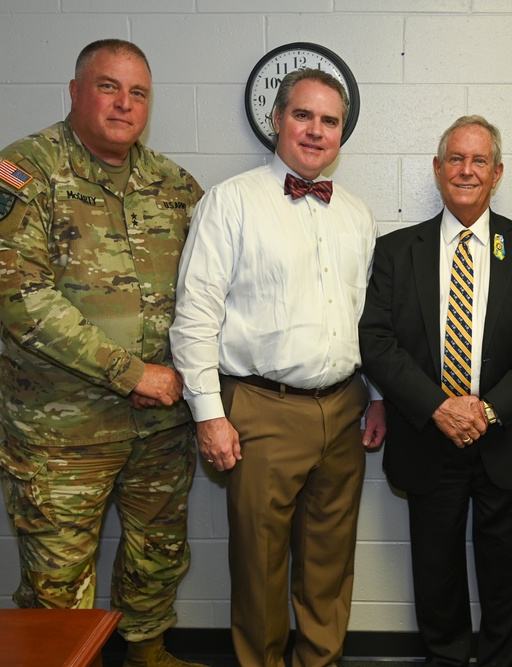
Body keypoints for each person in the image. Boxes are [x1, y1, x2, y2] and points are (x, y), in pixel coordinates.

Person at [0, 39, 205, 667]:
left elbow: (210, 295)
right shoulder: (24, 172)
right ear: (75, 92)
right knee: (58, 586)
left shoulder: (177, 186)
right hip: (61, 433)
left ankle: (148, 653)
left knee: (158, 554)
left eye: (137, 93)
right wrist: (133, 374)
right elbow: (24, 304)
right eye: (108, 87)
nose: (124, 104)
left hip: (160, 428)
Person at [170, 68, 386, 667]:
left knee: (328, 565)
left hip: (343, 411)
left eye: (330, 121)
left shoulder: (358, 215)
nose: (316, 132)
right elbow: (195, 317)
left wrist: (375, 396)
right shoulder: (231, 202)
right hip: (261, 410)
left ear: (343, 132)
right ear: (277, 120)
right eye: (303, 116)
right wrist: (209, 415)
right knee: (260, 569)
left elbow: (368, 320)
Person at [359, 115, 512, 667]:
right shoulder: (397, 250)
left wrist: (489, 409)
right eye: (456, 158)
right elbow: (376, 342)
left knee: (508, 578)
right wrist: (438, 407)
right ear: (436, 168)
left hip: (505, 441)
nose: (466, 170)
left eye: (479, 161)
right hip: (428, 439)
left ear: (497, 174)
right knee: (436, 575)